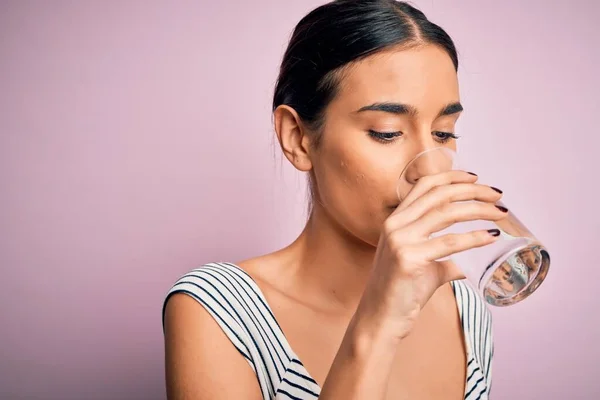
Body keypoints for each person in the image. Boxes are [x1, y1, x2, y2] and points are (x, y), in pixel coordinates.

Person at [162, 1, 508, 399]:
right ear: (298, 137)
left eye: (444, 133)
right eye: (386, 131)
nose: (429, 171)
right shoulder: (219, 311)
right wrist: (378, 323)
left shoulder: (465, 305)